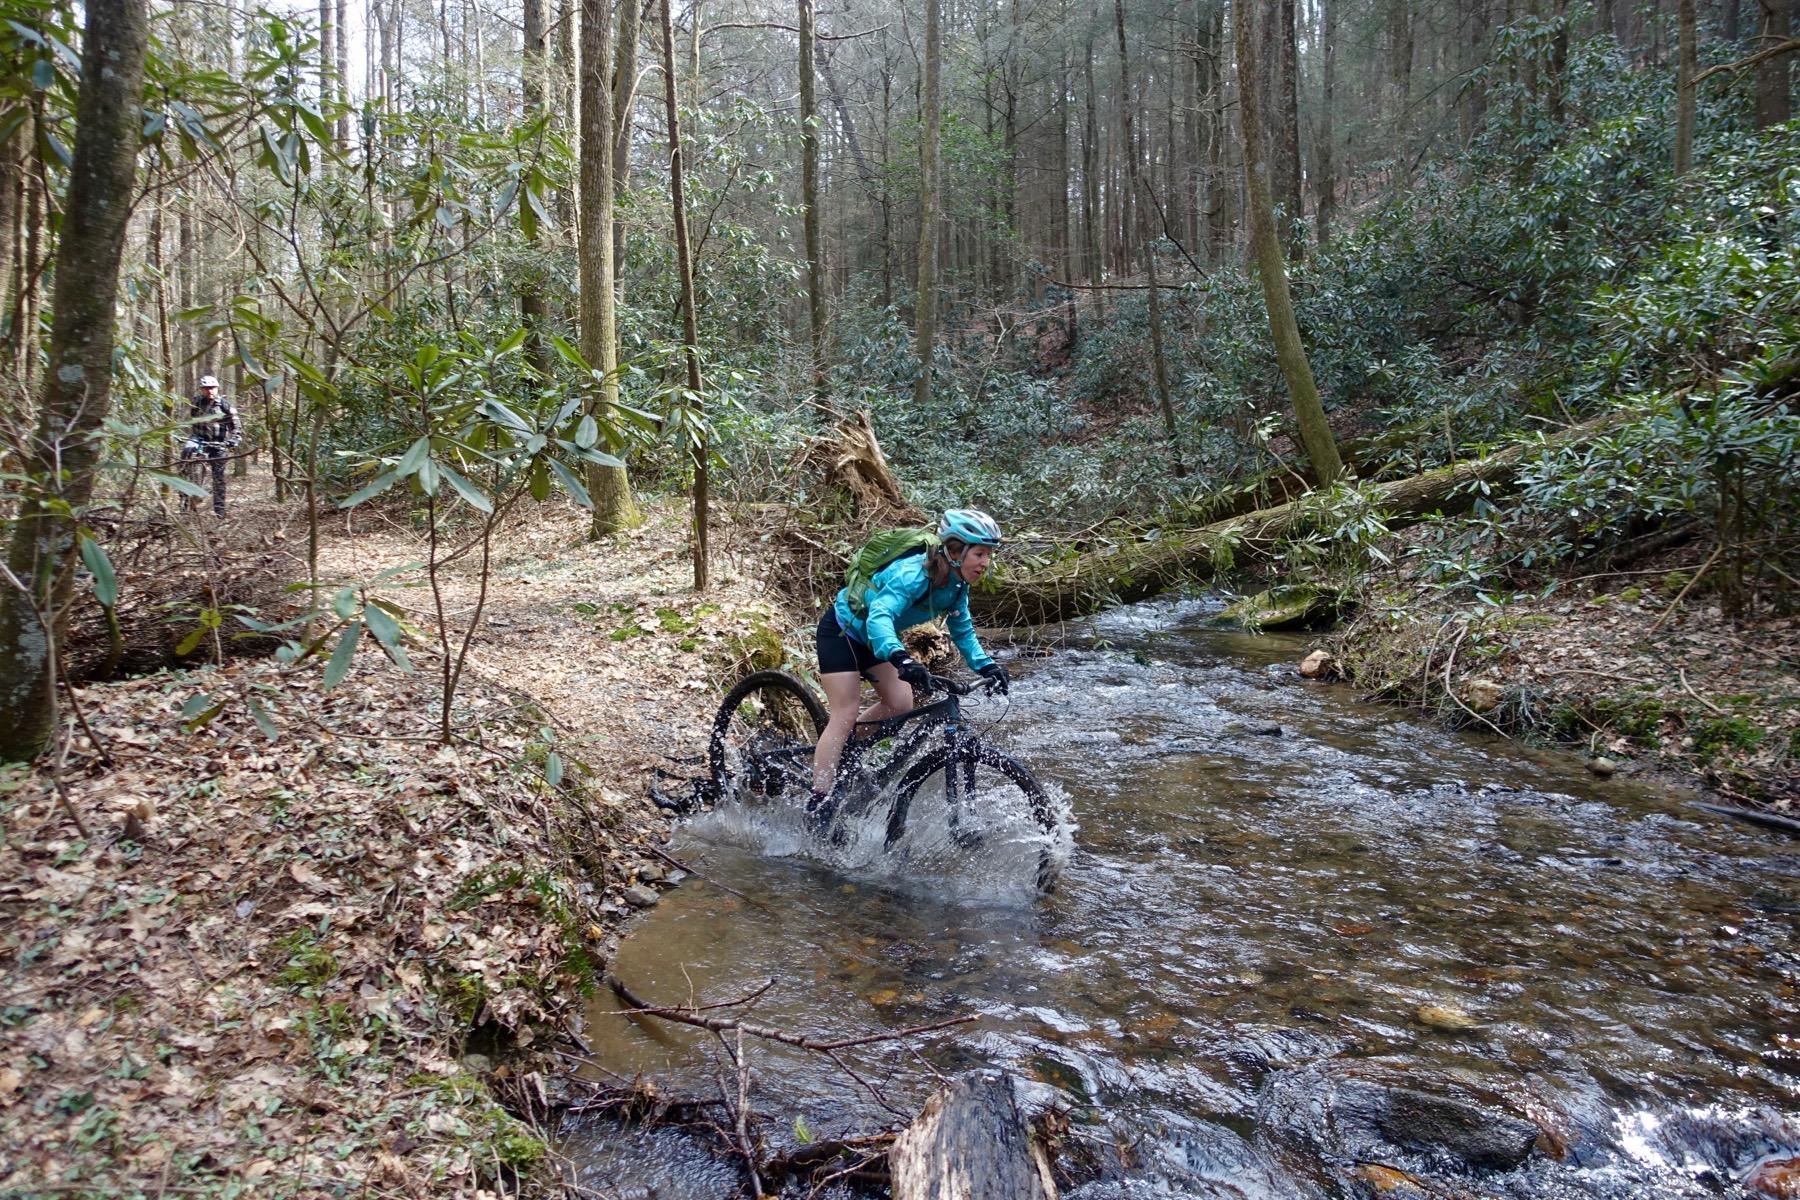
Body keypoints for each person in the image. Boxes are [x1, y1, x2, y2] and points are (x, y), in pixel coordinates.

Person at [809, 509, 1011, 823]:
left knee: (901, 703)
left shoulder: (957, 587)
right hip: (844, 631)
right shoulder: (913, 574)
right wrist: (900, 657)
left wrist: (986, 667)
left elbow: (963, 630)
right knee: (845, 712)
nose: (985, 563)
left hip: (876, 642)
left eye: (989, 555)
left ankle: (847, 752)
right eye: (980, 554)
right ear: (955, 551)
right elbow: (880, 616)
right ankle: (818, 802)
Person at [183, 374, 240, 517]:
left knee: (218, 477)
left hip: (218, 443)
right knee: (186, 455)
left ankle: (219, 511)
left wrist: (233, 440)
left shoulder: (225, 405)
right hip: (199, 440)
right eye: (206, 388)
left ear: (217, 388)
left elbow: (236, 427)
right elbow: (189, 420)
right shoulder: (196, 403)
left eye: (212, 388)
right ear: (201, 389)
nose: (210, 391)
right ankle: (185, 502)